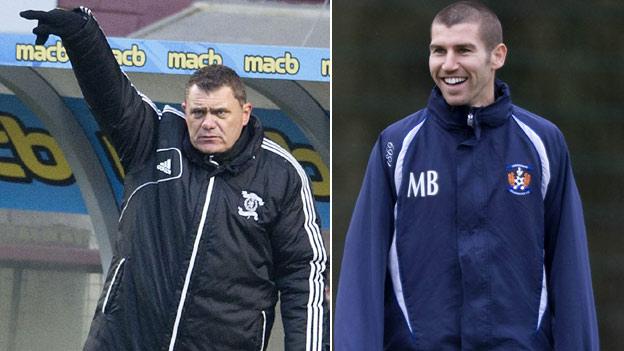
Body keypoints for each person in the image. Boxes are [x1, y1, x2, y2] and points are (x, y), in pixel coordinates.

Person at [21, 6, 327, 351]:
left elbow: (304, 275)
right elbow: (111, 94)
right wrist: (81, 33)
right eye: (198, 112)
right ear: (185, 110)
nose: (207, 122)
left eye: (220, 113)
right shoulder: (154, 139)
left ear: (245, 114)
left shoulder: (280, 173)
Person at [334, 1, 598, 350]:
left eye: (463, 50)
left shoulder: (543, 143)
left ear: (497, 55)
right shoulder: (396, 146)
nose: (448, 64)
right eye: (438, 51)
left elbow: (570, 270)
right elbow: (361, 274)